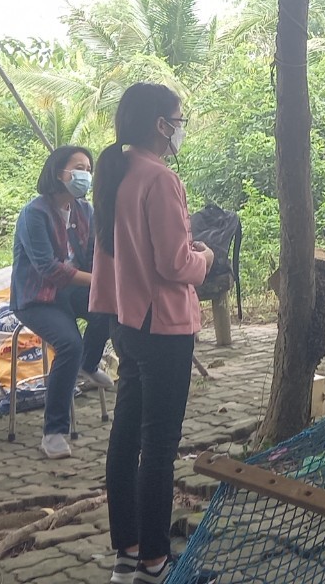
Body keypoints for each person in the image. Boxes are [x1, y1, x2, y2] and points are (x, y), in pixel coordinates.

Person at [90, 83, 216, 584]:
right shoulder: (159, 179)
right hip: (163, 325)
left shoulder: (115, 174)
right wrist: (204, 258)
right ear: (161, 124)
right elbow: (174, 263)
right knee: (159, 447)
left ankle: (128, 550)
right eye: (177, 118)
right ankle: (156, 562)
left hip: (127, 322)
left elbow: (108, 257)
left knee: (125, 437)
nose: (180, 127)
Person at [11, 145, 113, 460]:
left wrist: (112, 277)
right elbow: (49, 269)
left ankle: (88, 365)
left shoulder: (85, 211)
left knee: (111, 311)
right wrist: (99, 281)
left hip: (73, 290)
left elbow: (98, 254)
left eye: (88, 168)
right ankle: (53, 432)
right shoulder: (34, 213)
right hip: (37, 298)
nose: (85, 174)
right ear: (59, 173)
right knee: (69, 344)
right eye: (78, 167)